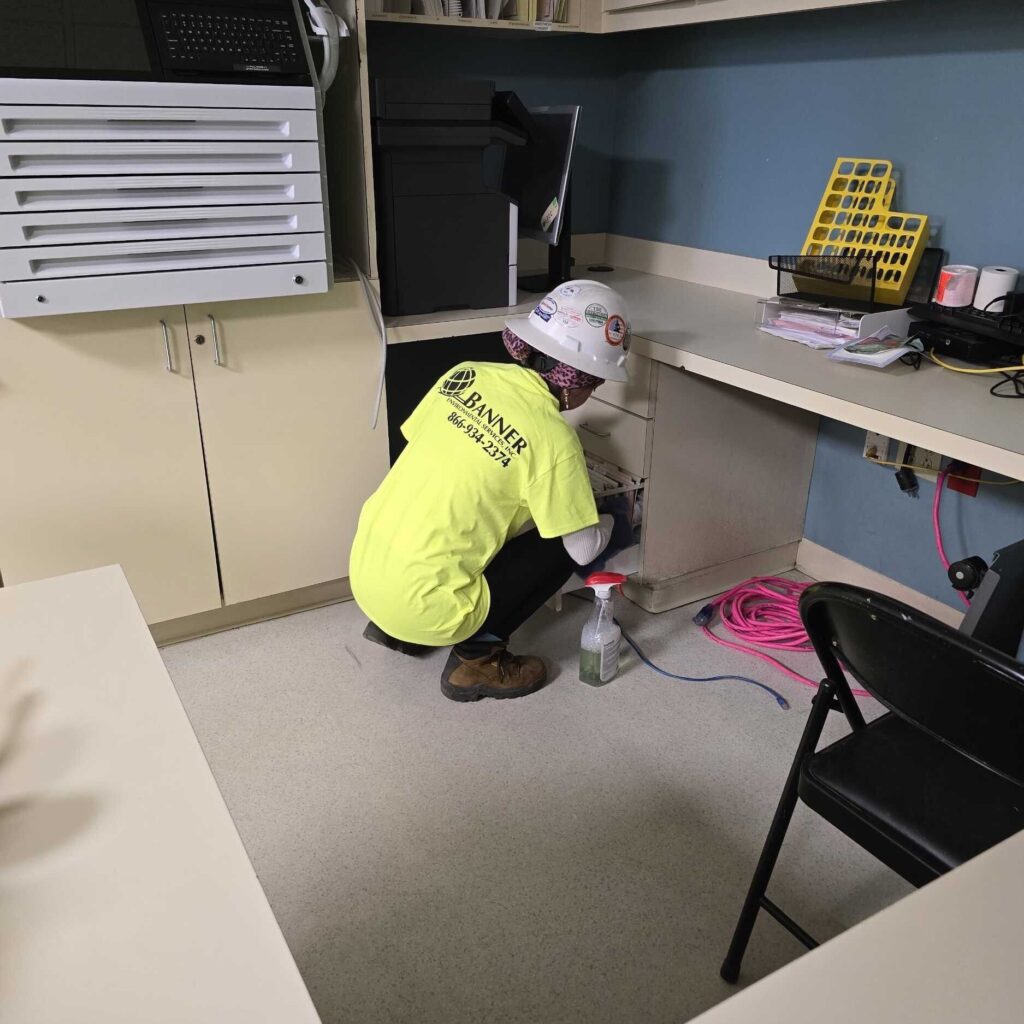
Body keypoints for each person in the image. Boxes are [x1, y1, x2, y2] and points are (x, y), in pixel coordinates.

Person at [349, 280, 632, 702]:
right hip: (424, 607)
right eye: (597, 383)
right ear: (576, 382)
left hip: (368, 576)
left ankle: (400, 631)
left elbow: (442, 460)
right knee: (562, 544)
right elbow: (583, 551)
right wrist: (615, 519)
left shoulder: (465, 374)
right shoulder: (554, 439)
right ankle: (477, 661)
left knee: (473, 516)